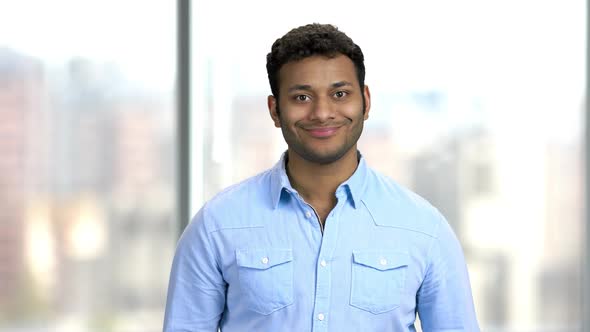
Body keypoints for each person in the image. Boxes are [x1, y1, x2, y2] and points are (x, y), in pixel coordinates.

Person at [163, 23, 480, 332]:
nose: (322, 113)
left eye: (340, 94)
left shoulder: (423, 228)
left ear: (366, 101)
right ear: (275, 110)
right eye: (302, 97)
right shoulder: (217, 225)